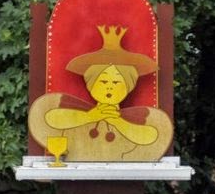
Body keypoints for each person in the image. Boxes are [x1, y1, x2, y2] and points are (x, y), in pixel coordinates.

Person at [28, 25, 172, 161]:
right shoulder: (75, 113)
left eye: (116, 82)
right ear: (91, 85)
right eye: (103, 81)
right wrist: (89, 117)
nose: (109, 87)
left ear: (128, 87)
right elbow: (48, 118)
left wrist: (118, 122)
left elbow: (153, 136)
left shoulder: (133, 120)